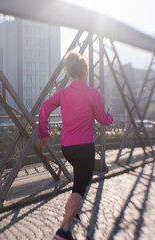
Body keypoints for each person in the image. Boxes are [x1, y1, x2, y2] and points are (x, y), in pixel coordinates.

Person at [38, 51, 113, 240]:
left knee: (80, 179)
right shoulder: (92, 93)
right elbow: (102, 119)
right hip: (84, 148)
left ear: (72, 72)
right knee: (79, 188)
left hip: (67, 148)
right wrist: (110, 117)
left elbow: (44, 108)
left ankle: (73, 212)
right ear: (86, 71)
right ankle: (63, 231)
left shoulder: (63, 93)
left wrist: (44, 132)